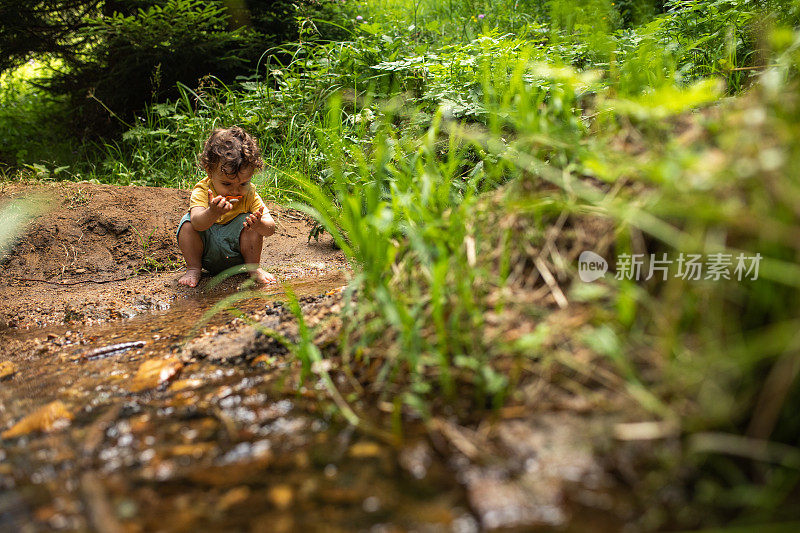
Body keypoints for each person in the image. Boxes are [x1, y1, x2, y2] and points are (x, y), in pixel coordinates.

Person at [176, 126, 277, 287]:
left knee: (250, 223)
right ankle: (193, 268)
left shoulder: (250, 194)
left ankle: (253, 268)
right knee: (187, 224)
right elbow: (197, 223)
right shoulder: (203, 190)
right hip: (207, 253)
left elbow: (271, 229)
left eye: (243, 183)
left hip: (237, 254)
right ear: (210, 172)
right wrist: (212, 212)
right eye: (226, 183)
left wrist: (259, 224)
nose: (236, 190)